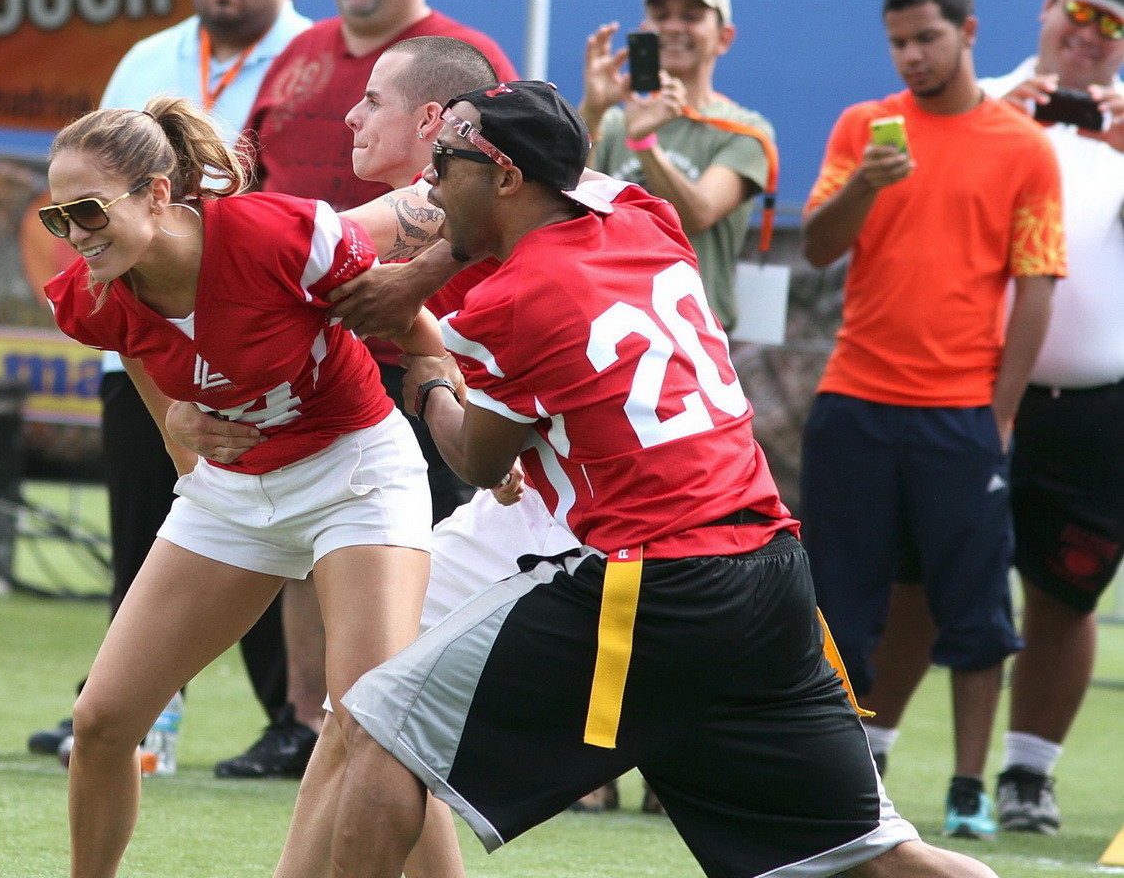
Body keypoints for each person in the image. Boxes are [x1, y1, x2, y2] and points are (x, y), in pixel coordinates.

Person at [326, 79, 998, 878]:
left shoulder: (517, 296)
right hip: (772, 574)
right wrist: (429, 270)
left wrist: (432, 372)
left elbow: (478, 459)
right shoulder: (644, 215)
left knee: (377, 725)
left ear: (507, 176)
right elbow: (575, 189)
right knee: (876, 859)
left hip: (655, 585)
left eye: (445, 158)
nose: (428, 183)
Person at [42, 96, 446, 878]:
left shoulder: (274, 234)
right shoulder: (94, 291)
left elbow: (403, 317)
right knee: (99, 720)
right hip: (235, 492)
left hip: (353, 470)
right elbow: (137, 349)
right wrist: (180, 426)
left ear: (157, 194)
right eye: (58, 218)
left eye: (88, 211)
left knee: (369, 720)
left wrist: (446, 386)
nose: (76, 235)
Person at [231, 0, 518, 778]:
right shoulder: (307, 61)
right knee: (375, 709)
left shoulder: (441, 182)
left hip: (501, 416)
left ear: (438, 123)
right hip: (392, 384)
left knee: (397, 691)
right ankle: (313, 721)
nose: (349, 118)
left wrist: (430, 361)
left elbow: (356, 239)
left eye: (372, 104)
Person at [28, 0, 313, 762]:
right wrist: (174, 418)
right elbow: (97, 199)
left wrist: (435, 367)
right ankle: (131, 712)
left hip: (267, 337)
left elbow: (335, 256)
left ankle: (297, 720)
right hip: (150, 343)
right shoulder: (149, 55)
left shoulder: (310, 58)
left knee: (284, 538)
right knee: (150, 530)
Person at [798, 0, 1065, 839]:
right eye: (899, 43)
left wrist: (999, 414)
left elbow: (1035, 286)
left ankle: (968, 787)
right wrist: (866, 185)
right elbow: (818, 250)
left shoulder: (1023, 147)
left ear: (970, 34)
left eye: (928, 39)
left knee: (977, 609)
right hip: (856, 403)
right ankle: (843, 777)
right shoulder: (864, 127)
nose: (911, 57)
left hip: (960, 416)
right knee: (840, 602)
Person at [870, 0, 1124, 836]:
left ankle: (1028, 774)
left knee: (1067, 591)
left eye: (1111, 26)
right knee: (917, 579)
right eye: (1080, 14)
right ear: (1048, 7)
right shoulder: (980, 94)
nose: (1089, 38)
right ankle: (872, 749)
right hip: (960, 381)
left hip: (1090, 405)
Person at [581, 0, 777, 331]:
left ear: (724, 37)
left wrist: (643, 143)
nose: (672, 27)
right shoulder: (610, 123)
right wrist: (592, 109)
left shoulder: (746, 130)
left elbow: (698, 214)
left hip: (691, 333)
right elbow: (561, 197)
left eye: (691, 16)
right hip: (609, 324)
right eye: (660, 15)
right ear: (644, 31)